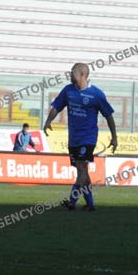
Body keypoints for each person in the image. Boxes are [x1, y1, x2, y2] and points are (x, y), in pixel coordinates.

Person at [43, 62, 117, 212]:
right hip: (73, 138)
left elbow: (108, 115)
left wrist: (114, 137)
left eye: (73, 73)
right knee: (82, 171)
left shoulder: (96, 94)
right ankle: (90, 205)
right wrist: (48, 121)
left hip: (88, 138)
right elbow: (57, 106)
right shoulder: (68, 90)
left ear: (82, 75)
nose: (70, 75)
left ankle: (72, 201)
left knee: (82, 168)